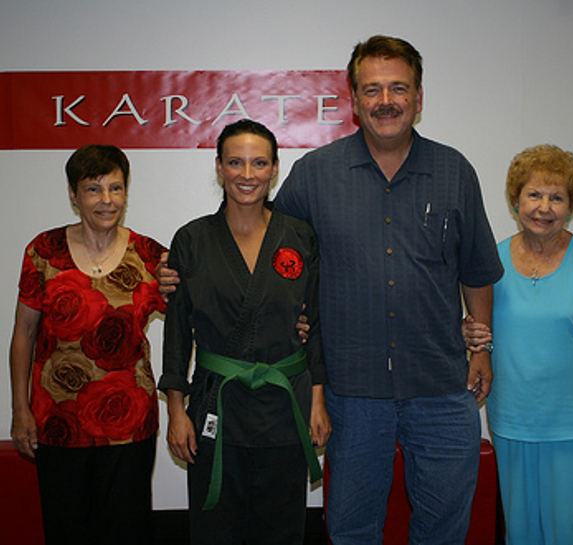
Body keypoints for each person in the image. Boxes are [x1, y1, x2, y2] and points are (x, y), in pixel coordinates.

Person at [158, 35, 503, 544]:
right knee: (351, 526)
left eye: (398, 88)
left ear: (420, 97)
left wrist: (482, 348)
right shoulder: (316, 174)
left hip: (441, 382)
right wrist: (185, 266)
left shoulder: (455, 171)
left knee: (445, 524)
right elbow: (262, 241)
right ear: (355, 100)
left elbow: (475, 269)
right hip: (351, 388)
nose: (386, 100)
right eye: (372, 89)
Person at [158, 119, 330, 545]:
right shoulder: (192, 239)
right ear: (219, 167)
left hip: (286, 402)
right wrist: (176, 411)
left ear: (274, 168)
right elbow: (177, 332)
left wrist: (318, 402)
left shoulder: (299, 235)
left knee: (282, 528)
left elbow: (318, 323)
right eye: (235, 162)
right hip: (217, 402)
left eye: (258, 163)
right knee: (216, 528)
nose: (247, 175)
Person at [464, 144, 573, 545]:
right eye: (534, 195)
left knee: (569, 532)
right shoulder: (493, 260)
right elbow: (483, 330)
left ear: (571, 206)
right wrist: (470, 334)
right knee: (521, 531)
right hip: (513, 420)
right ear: (515, 200)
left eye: (557, 198)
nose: (544, 207)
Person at [9, 145, 166, 545]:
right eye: (94, 189)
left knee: (126, 531)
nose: (106, 200)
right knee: (67, 529)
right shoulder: (43, 251)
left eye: (115, 188)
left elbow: (202, 315)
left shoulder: (150, 257)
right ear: (73, 194)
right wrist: (20, 409)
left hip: (130, 425)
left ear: (126, 193)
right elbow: (23, 335)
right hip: (58, 421)